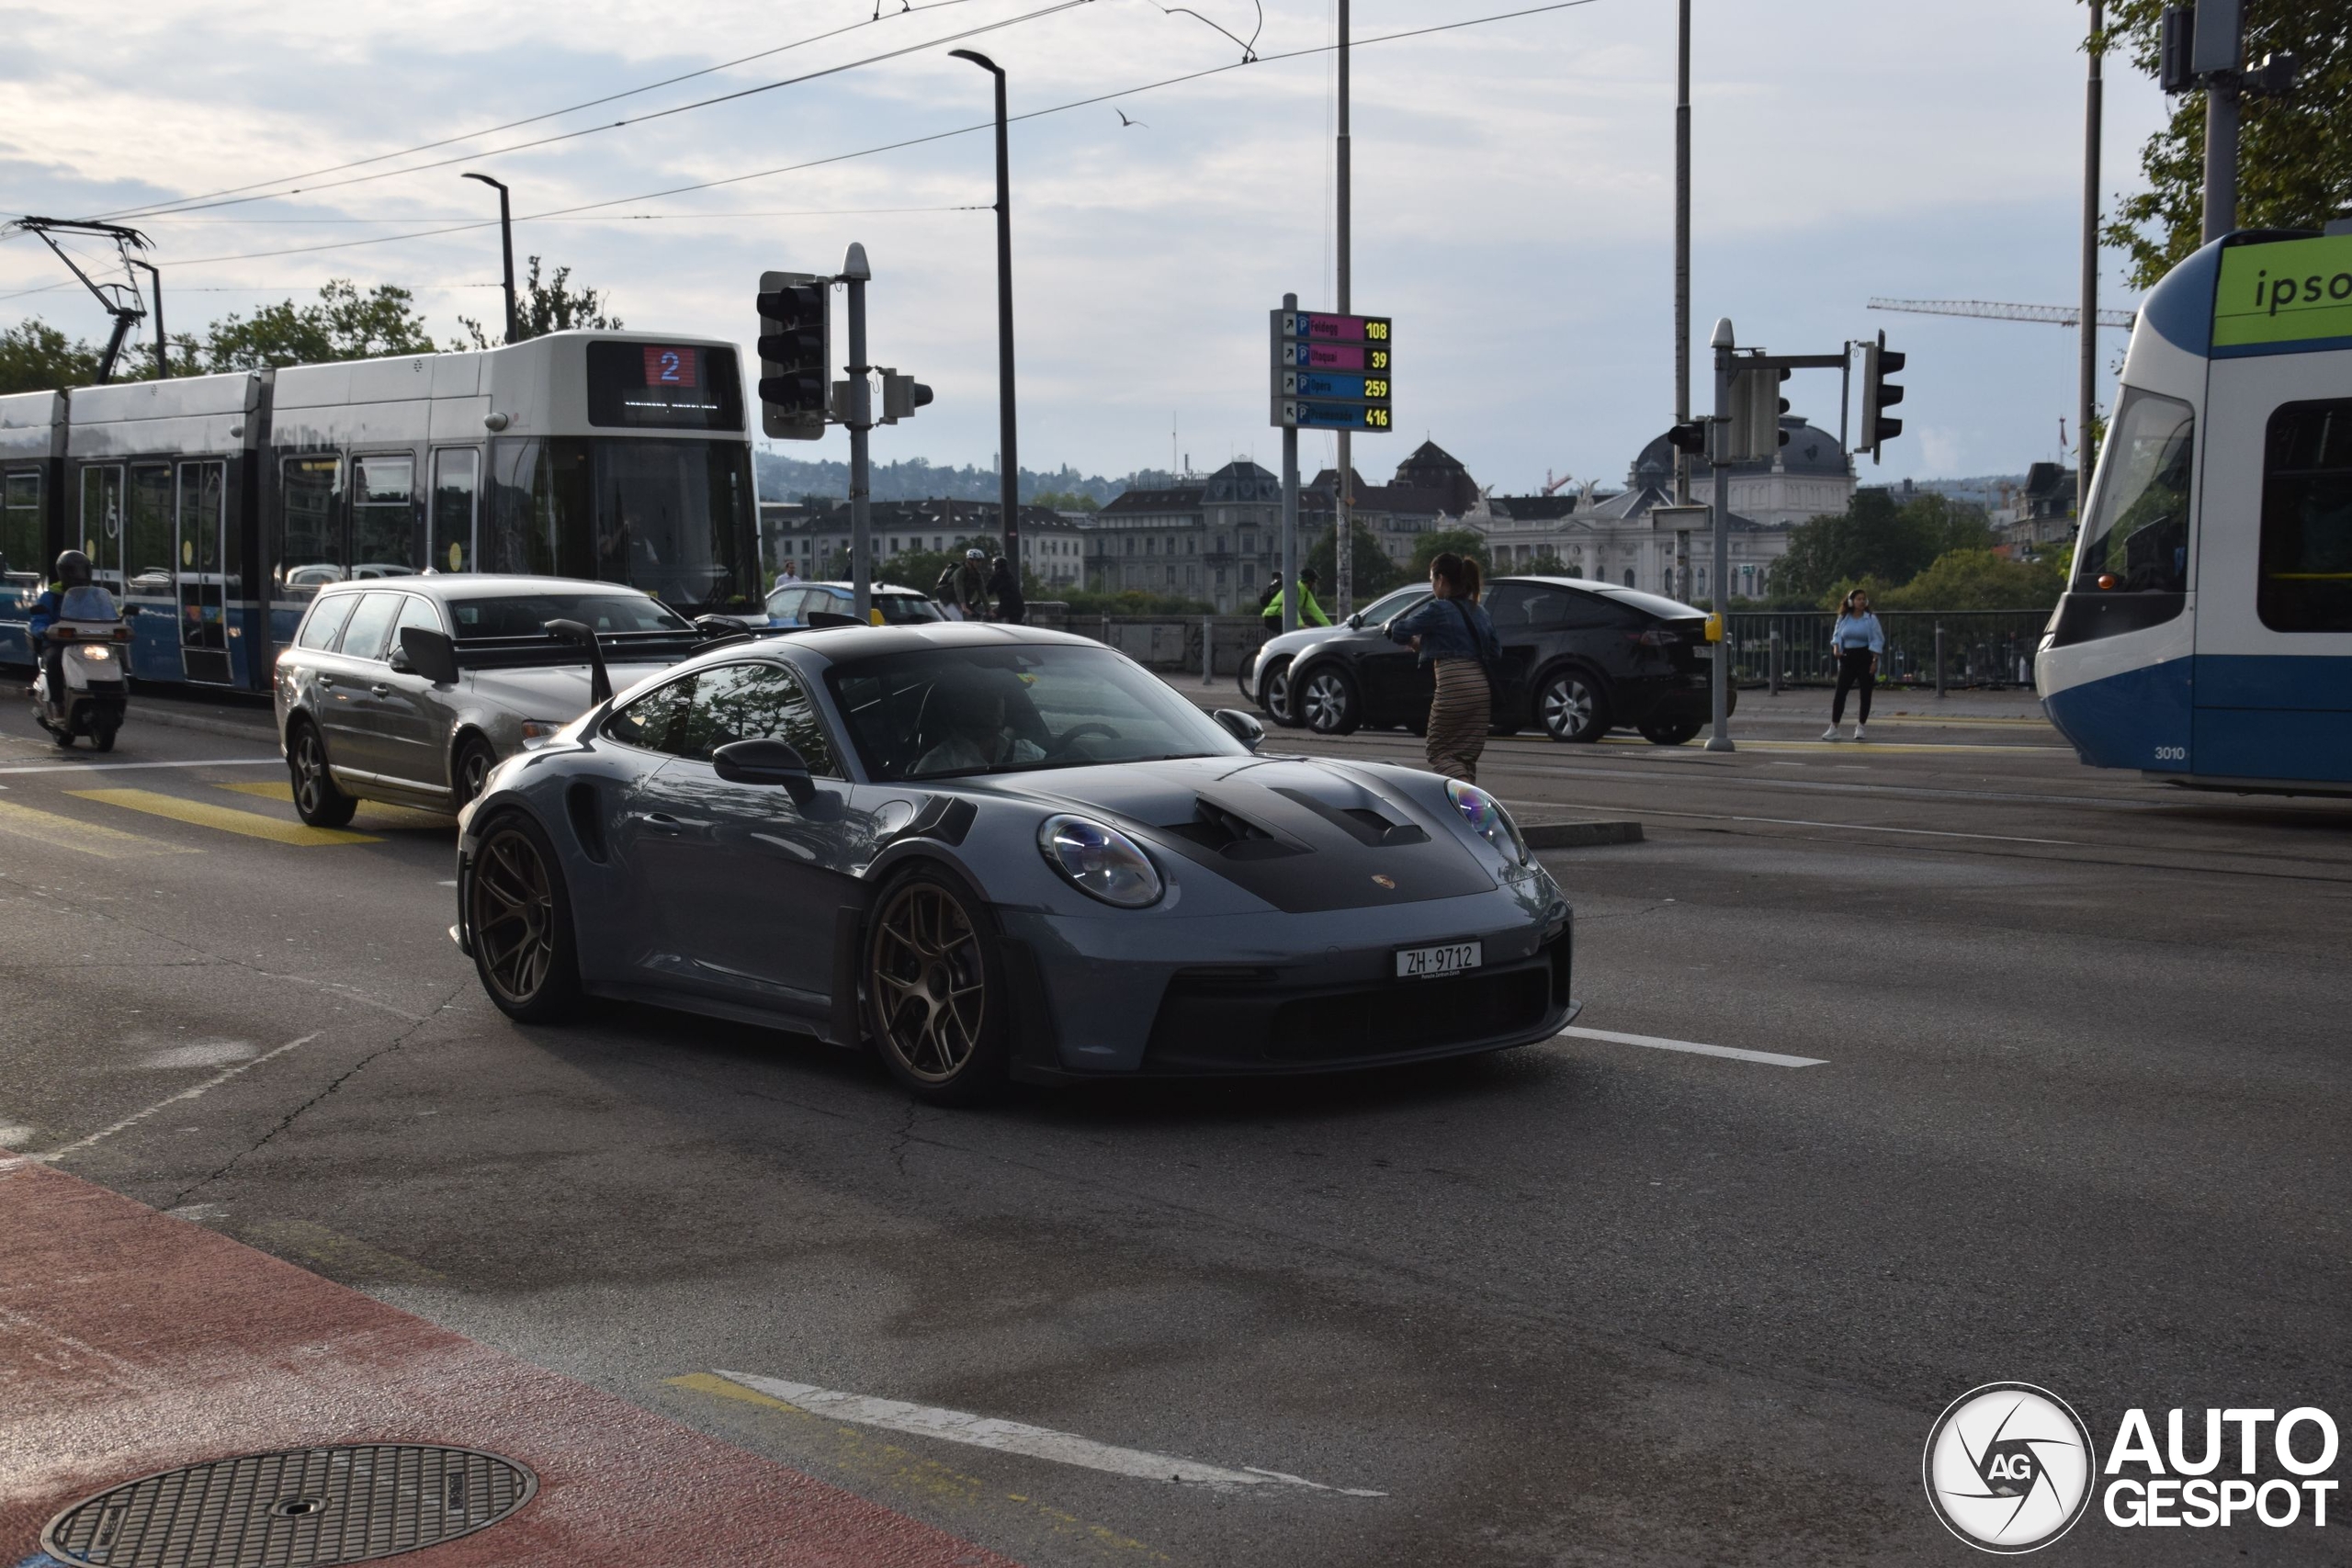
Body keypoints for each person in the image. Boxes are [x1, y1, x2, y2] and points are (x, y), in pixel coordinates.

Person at [1385, 552, 1500, 783]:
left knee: (1439, 753)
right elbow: (1495, 651)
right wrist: (1425, 645)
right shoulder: (1481, 611)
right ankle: (1471, 816)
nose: (1432, 586)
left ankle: (1464, 803)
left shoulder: (1440, 609)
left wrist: (1392, 626)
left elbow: (1400, 631)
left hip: (1454, 685)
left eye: (1431, 580)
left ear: (1441, 579)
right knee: (1465, 757)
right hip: (1481, 688)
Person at [914, 671, 1046, 776]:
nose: (995, 703)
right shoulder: (937, 765)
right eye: (984, 697)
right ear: (963, 705)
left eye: (999, 695)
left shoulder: (1027, 750)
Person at [28, 549, 95, 708]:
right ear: (64, 573)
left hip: (89, 641)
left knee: (113, 658)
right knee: (54, 659)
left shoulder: (95, 596)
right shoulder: (51, 596)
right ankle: (57, 703)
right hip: (60, 643)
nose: (80, 575)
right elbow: (38, 621)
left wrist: (120, 621)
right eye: (75, 571)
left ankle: (112, 698)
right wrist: (44, 630)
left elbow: (111, 613)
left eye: (83, 570)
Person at [1825, 588, 1884, 741]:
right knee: (1840, 693)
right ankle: (1834, 727)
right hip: (1848, 657)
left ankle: (1861, 726)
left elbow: (1877, 639)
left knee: (1865, 693)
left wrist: (1874, 660)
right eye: (1858, 599)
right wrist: (1836, 648)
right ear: (1851, 601)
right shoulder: (1844, 618)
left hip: (1865, 656)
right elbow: (1837, 635)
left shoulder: (1870, 619)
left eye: (1864, 599)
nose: (1861, 602)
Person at [1261, 566, 1330, 632]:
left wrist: (1330, 628)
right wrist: (1301, 625)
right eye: (1314, 582)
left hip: (1282, 616)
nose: (1315, 584)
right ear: (1310, 581)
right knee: (1291, 635)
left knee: (1292, 635)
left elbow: (1316, 612)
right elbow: (1291, 607)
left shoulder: (1306, 594)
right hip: (1273, 616)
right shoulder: (1294, 589)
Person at [936, 547, 990, 620]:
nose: (979, 563)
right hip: (946, 600)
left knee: (961, 622)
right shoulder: (960, 571)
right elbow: (959, 588)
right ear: (970, 561)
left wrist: (989, 610)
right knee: (958, 620)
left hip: (957, 601)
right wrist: (963, 606)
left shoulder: (977, 575)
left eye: (980, 561)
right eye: (977, 560)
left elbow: (982, 593)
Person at [987, 553, 1024, 625]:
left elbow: (986, 593)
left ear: (996, 566)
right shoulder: (1010, 576)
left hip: (1006, 607)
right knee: (1014, 629)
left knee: (987, 616)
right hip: (1019, 608)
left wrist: (974, 604)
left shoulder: (996, 577)